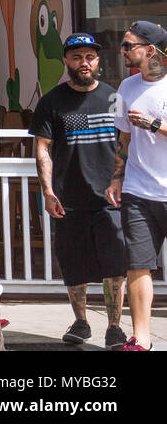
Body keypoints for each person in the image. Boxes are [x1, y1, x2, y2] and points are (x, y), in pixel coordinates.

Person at [30, 32, 126, 349]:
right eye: (76, 57)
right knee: (73, 265)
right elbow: (42, 149)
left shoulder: (114, 97)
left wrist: (121, 179)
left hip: (110, 200)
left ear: (97, 61)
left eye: (89, 57)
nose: (83, 63)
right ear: (66, 61)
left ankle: (115, 327)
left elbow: (124, 145)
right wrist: (47, 191)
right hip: (67, 198)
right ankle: (82, 322)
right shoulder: (52, 102)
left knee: (115, 265)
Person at [106, 19, 167, 351]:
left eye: (129, 45)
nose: (123, 50)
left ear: (151, 50)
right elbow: (123, 137)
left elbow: (147, 127)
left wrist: (155, 124)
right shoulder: (125, 88)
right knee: (137, 263)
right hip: (138, 191)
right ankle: (141, 339)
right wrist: (117, 176)